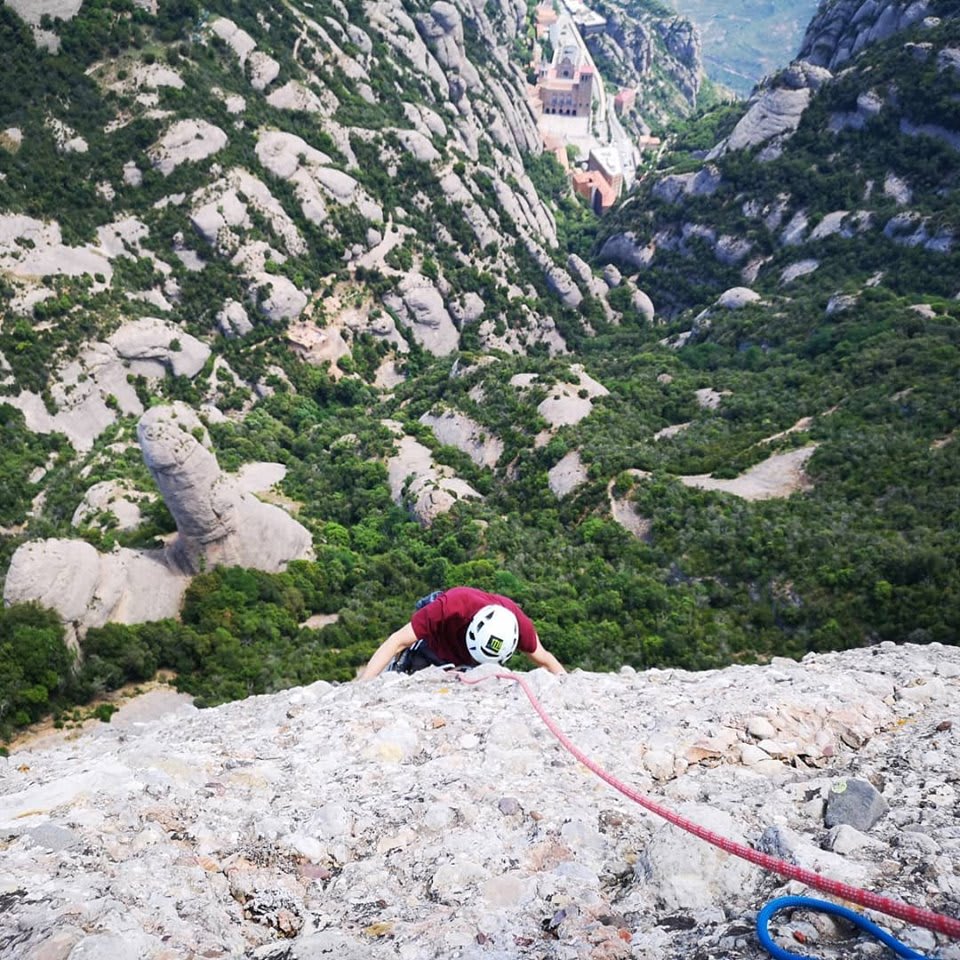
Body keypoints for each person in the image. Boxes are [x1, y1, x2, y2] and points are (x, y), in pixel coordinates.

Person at [358, 586, 566, 679]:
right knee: (406, 671)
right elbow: (397, 640)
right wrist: (364, 684)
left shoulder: (519, 626)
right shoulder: (452, 606)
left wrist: (565, 681)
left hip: (465, 663)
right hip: (436, 643)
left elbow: (545, 659)